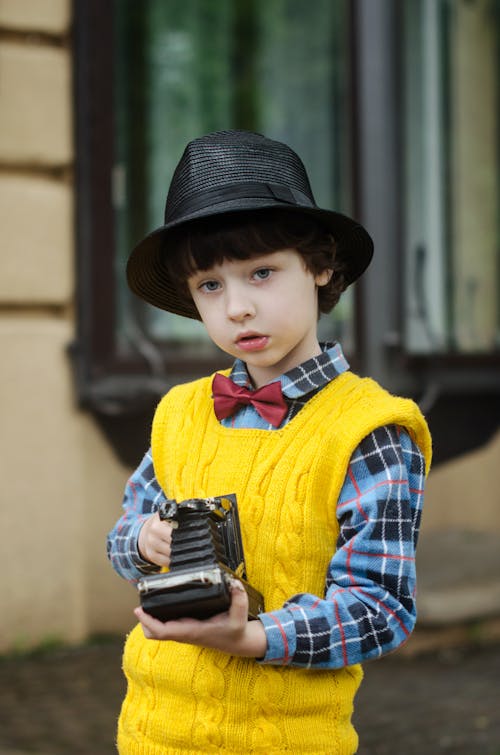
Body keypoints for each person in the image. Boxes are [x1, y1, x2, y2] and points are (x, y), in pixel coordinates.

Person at [107, 129, 432, 754]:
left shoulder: (370, 431)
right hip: (150, 732)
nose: (238, 308)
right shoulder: (180, 412)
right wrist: (144, 542)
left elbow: (381, 608)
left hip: (286, 738)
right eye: (210, 286)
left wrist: (253, 637)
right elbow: (121, 539)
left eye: (261, 273)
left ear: (320, 265)